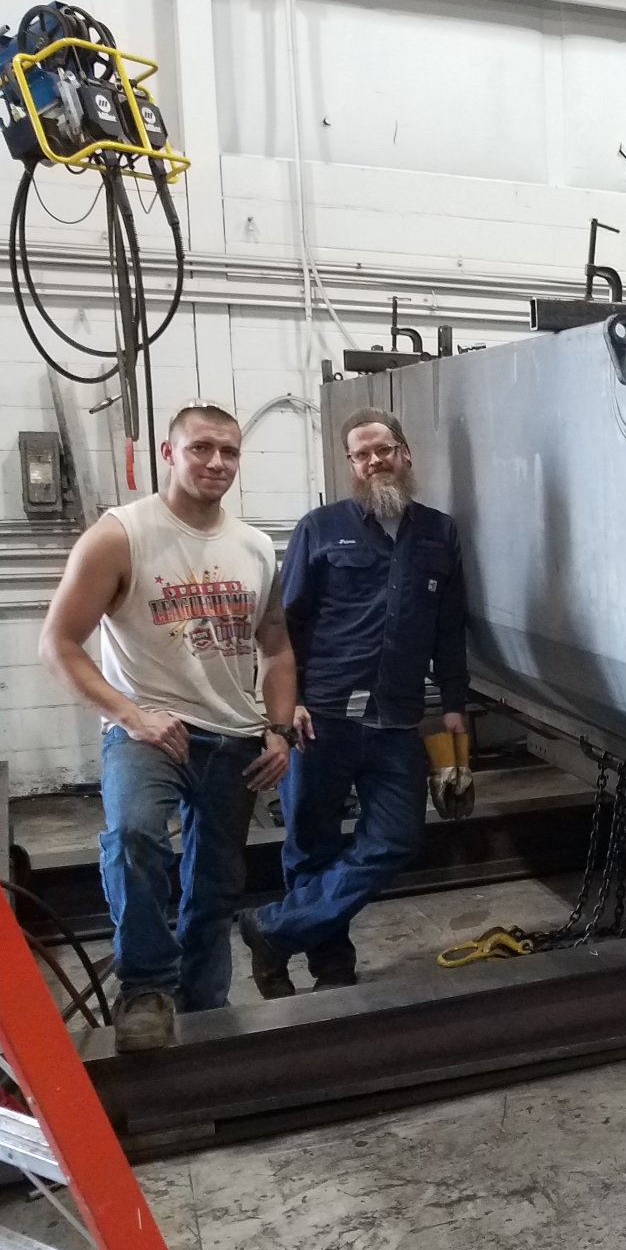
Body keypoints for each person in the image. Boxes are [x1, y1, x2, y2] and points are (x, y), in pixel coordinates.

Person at [40, 404, 297, 1051]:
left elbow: (278, 648)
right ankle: (147, 988)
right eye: (201, 448)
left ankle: (205, 1007)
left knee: (216, 880)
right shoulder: (119, 535)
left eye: (229, 452)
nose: (216, 463)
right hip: (146, 729)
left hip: (233, 734)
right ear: (168, 452)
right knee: (133, 838)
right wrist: (130, 715)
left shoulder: (257, 547)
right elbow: (59, 642)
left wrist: (279, 728)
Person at [238, 408, 468, 996]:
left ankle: (275, 930)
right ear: (350, 465)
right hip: (324, 716)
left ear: (405, 453)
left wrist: (454, 707)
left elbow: (448, 627)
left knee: (397, 838)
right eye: (361, 455)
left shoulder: (441, 533)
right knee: (311, 844)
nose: (374, 463)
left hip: (396, 718)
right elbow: (284, 625)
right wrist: (288, 709)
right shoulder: (321, 527)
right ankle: (331, 966)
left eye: (383, 450)